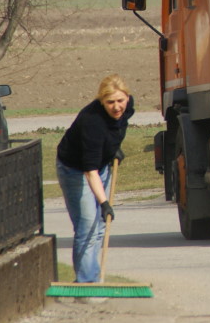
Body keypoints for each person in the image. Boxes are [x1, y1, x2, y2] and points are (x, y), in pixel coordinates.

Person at [56, 74, 135, 282]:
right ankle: (85, 283)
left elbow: (118, 126)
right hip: (75, 170)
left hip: (101, 167)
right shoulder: (92, 123)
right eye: (110, 102)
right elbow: (89, 171)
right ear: (101, 101)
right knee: (88, 225)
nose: (117, 107)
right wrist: (104, 203)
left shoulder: (127, 107)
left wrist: (113, 148)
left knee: (100, 227)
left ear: (127, 97)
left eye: (120, 100)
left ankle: (91, 277)